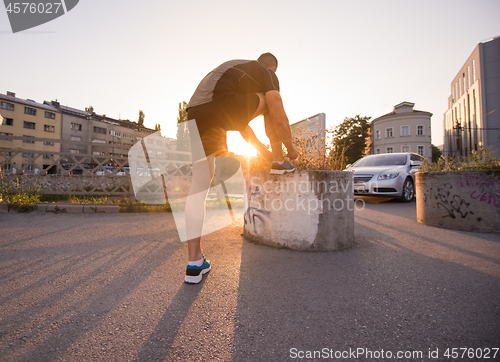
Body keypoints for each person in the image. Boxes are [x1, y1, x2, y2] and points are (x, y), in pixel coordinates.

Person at [182, 53, 299, 283]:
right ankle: (279, 160)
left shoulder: (238, 75)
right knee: (271, 102)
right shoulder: (266, 73)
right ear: (273, 68)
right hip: (218, 105)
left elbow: (243, 127)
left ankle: (194, 263)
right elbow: (277, 112)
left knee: (199, 186)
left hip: (195, 112)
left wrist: (262, 152)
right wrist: (290, 147)